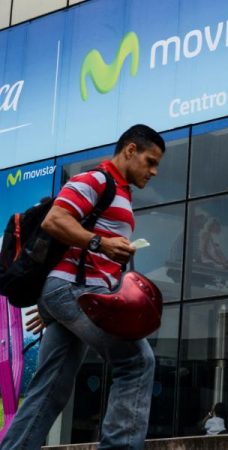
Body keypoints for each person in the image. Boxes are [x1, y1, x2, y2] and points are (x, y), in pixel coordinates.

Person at [0, 124, 166, 450]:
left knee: (50, 389)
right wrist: (100, 243)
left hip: (71, 294)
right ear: (130, 150)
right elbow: (55, 220)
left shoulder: (122, 193)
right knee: (136, 361)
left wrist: (54, 307)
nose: (154, 171)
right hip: (76, 291)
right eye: (150, 161)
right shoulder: (95, 180)